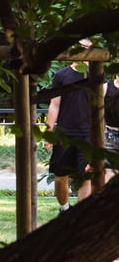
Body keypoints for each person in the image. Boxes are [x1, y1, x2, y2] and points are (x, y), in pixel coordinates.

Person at [43, 40, 93, 213]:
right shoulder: (61, 76)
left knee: (86, 177)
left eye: (87, 48)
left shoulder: (96, 75)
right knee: (60, 178)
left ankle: (80, 217)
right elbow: (54, 105)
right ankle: (65, 209)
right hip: (64, 133)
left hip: (88, 134)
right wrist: (49, 133)